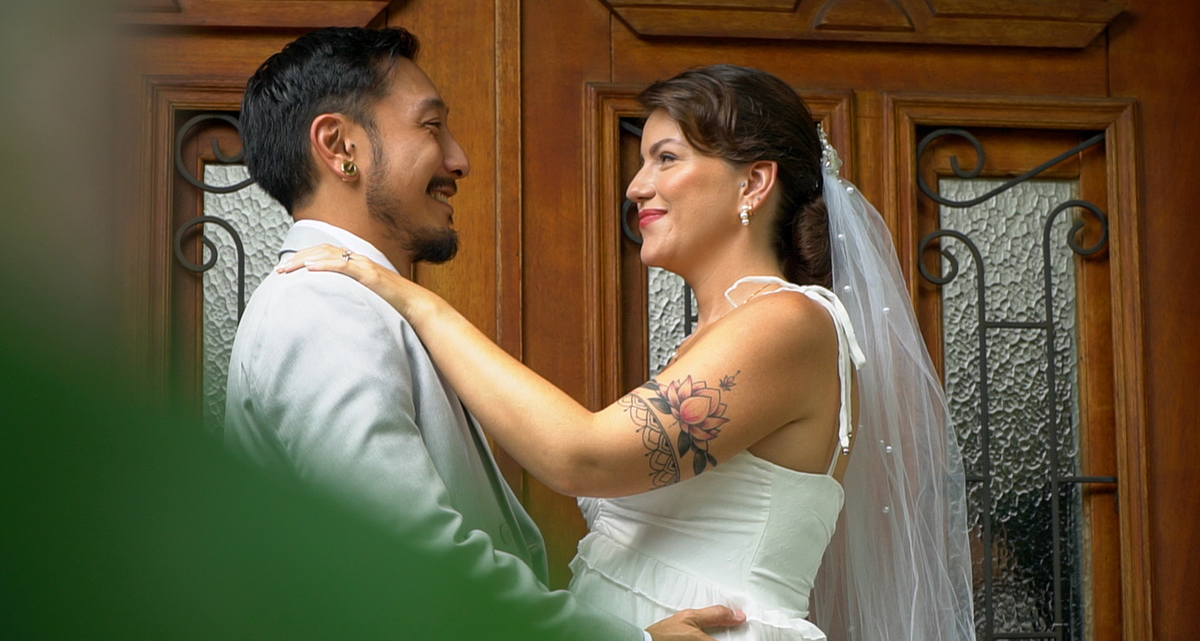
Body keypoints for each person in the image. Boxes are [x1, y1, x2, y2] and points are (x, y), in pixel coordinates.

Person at [283, 64, 976, 639]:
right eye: (643, 162)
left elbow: (582, 455)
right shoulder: (725, 336)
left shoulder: (790, 323)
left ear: (753, 183)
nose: (636, 185)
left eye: (666, 158)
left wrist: (415, 300)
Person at [223, 27, 744, 641]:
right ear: (340, 147)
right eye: (431, 126)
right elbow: (414, 556)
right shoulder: (322, 303)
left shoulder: (358, 300)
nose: (459, 160)